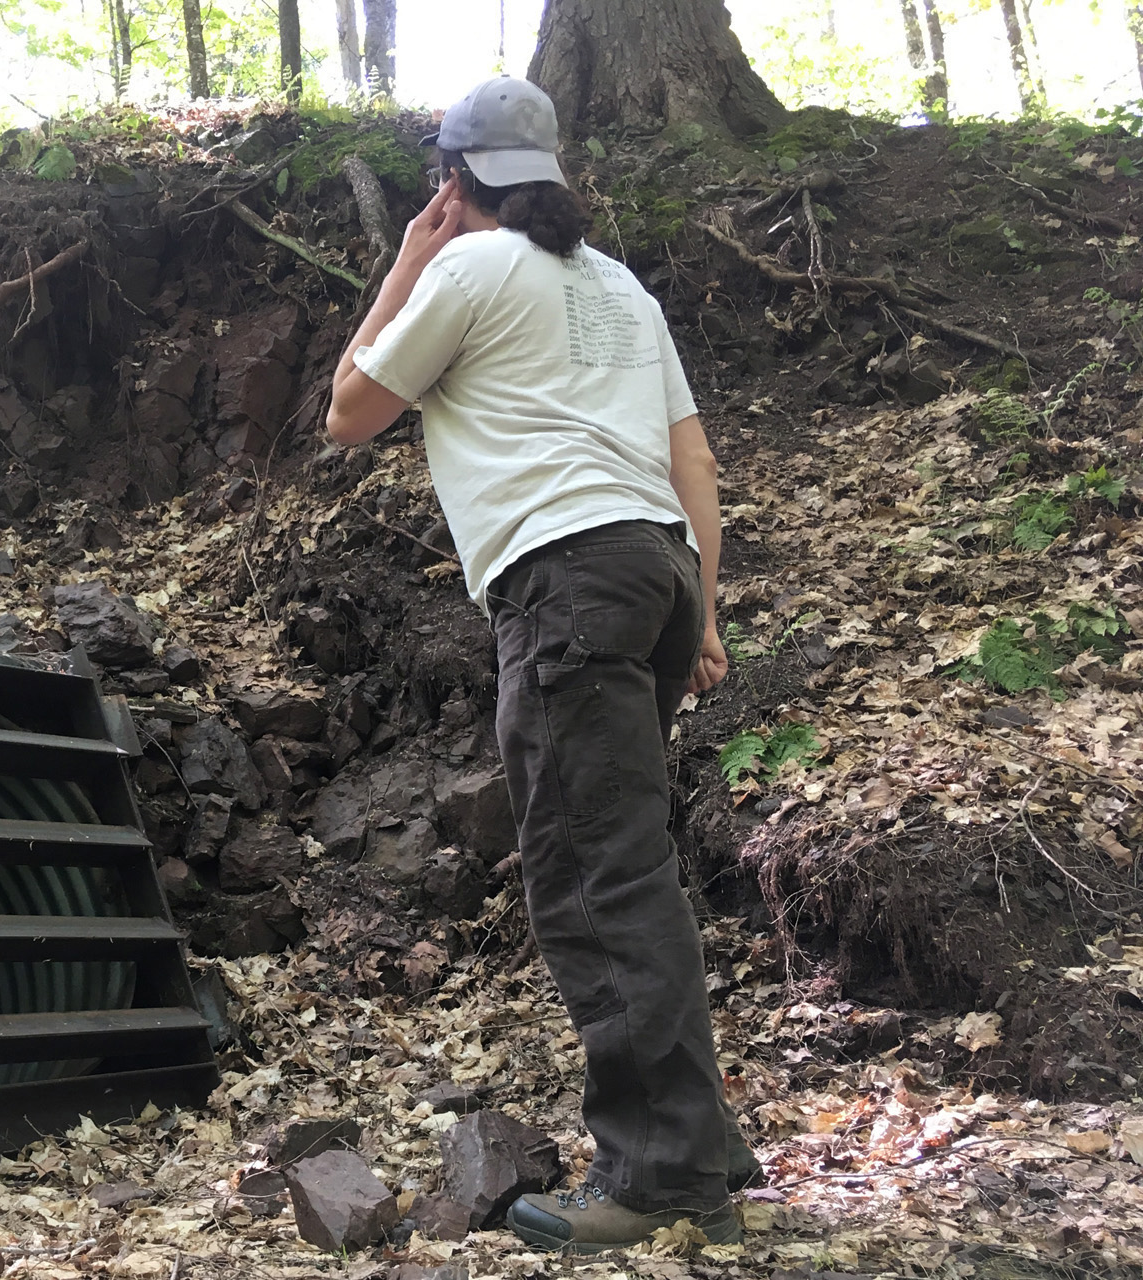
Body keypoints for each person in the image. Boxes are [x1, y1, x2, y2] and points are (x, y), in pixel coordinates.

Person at [323, 76, 759, 1252]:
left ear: (454, 183)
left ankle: (663, 1172)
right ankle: (701, 1147)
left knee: (591, 880)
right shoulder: (620, 288)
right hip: (656, 573)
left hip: (564, 581)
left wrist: (410, 259)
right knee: (635, 869)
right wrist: (704, 613)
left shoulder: (466, 269)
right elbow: (696, 466)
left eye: (439, 190)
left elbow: (348, 409)